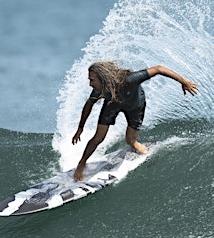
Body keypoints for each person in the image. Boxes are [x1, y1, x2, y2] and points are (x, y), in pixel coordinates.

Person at [71, 61, 199, 181]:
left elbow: (159, 69)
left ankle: (145, 155)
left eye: (92, 80)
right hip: (112, 105)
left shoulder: (130, 79)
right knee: (98, 138)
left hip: (135, 106)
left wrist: (184, 81)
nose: (90, 84)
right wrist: (80, 128)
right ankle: (81, 164)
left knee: (130, 140)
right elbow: (89, 104)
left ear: (103, 78)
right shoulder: (99, 90)